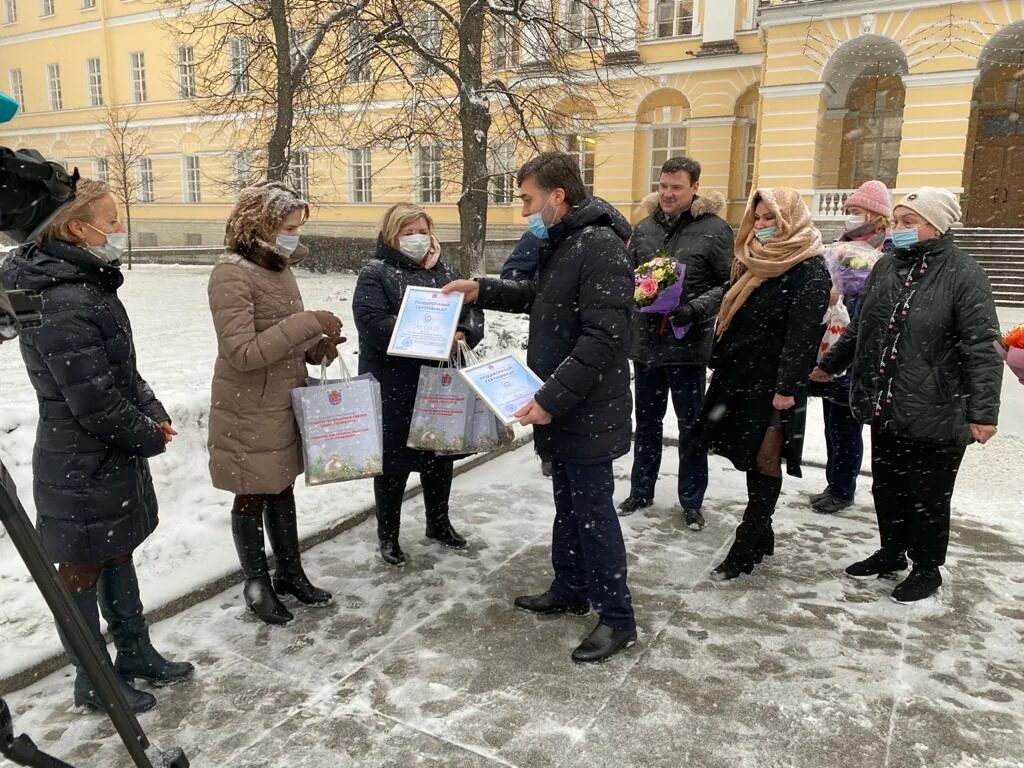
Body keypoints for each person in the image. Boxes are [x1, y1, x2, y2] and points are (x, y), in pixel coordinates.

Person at [1, 179, 194, 713]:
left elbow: (122, 374)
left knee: (116, 553)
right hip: (78, 465)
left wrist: (152, 411)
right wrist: (148, 433)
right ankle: (94, 682)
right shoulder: (61, 299)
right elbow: (93, 402)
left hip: (104, 460)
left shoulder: (84, 285)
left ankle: (135, 652)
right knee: (80, 573)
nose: (118, 230)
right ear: (73, 228)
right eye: (110, 221)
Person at [443, 152, 637, 664]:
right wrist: (479, 289)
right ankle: (570, 587)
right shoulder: (566, 241)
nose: (524, 208)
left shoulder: (599, 247)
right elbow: (538, 296)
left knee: (594, 513)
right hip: (565, 401)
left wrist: (551, 399)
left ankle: (618, 618)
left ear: (558, 195)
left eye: (528, 198)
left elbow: (604, 337)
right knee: (569, 506)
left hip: (584, 405)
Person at [813, 187, 1001, 603]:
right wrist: (828, 366)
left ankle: (927, 567)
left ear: (937, 225)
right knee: (889, 485)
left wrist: (983, 412)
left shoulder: (964, 274)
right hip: (888, 402)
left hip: (938, 408)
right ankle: (892, 551)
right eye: (896, 221)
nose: (897, 230)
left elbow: (980, 346)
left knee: (928, 495)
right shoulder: (886, 268)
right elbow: (862, 328)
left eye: (908, 222)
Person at [208, 181, 343, 626]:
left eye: (297, 228)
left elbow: (281, 335)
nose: (294, 235)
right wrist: (307, 322)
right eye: (287, 227)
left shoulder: (278, 266)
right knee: (251, 495)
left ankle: (290, 572)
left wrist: (315, 347)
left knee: (282, 488)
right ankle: (256, 584)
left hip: (281, 399)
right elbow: (242, 352)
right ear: (259, 224)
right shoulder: (231, 272)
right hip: (248, 407)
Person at [694, 187, 830, 581]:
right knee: (750, 456)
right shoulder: (752, 260)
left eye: (772, 218)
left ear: (791, 219)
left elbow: (802, 336)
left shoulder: (808, 268)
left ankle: (747, 540)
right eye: (759, 218)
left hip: (776, 384)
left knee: (767, 457)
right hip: (741, 375)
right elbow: (733, 315)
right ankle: (763, 532)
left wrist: (786, 388)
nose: (764, 225)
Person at [353, 203, 484, 568]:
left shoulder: (446, 269)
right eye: (407, 232)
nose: (416, 239)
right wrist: (427, 337)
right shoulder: (376, 273)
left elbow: (473, 309)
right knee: (393, 464)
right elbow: (371, 322)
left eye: (421, 231)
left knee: (439, 456)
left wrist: (464, 332)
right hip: (394, 381)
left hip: (439, 380)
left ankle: (438, 523)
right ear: (392, 235)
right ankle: (389, 537)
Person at [618, 157, 734, 531]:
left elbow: (729, 283)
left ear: (695, 187)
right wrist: (637, 294)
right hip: (647, 345)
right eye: (663, 186)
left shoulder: (715, 230)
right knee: (647, 423)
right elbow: (630, 275)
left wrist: (694, 309)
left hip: (687, 346)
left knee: (691, 427)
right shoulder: (645, 227)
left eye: (676, 187)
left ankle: (691, 500)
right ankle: (641, 489)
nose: (667, 194)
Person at [808, 180, 892, 515]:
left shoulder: (886, 251)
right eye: (848, 212)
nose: (850, 218)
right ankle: (834, 483)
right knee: (833, 420)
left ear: (875, 215)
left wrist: (854, 298)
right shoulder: (840, 248)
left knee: (848, 421)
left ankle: (843, 488)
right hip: (834, 341)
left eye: (856, 212)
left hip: (862, 349)